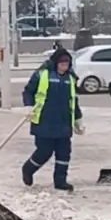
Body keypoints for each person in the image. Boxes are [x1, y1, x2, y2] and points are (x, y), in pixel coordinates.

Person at [20, 47, 84, 192]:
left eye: (67, 64)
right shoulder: (42, 75)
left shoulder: (70, 78)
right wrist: (28, 106)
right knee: (44, 152)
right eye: (62, 64)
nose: (64, 66)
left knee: (64, 153)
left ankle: (60, 181)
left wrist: (78, 119)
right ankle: (28, 169)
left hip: (64, 122)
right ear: (55, 63)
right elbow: (28, 91)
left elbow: (73, 101)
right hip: (45, 121)